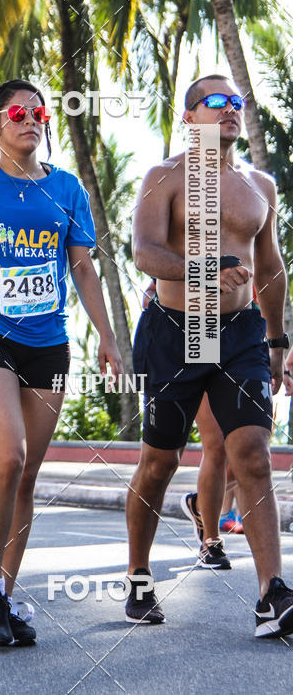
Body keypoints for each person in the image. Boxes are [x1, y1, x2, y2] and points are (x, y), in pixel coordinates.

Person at [0, 78, 123, 646]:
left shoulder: (66, 189)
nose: (31, 118)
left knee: (27, 478)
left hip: (48, 341)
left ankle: (7, 598)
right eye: (16, 112)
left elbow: (85, 270)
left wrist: (109, 339)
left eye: (38, 111)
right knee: (10, 455)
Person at [126, 74, 293, 638]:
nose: (230, 110)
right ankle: (140, 576)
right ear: (188, 116)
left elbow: (270, 269)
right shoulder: (165, 177)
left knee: (250, 450)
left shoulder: (259, 185)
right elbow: (144, 251)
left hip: (241, 332)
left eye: (236, 103)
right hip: (176, 331)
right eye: (215, 102)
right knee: (160, 463)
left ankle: (272, 592)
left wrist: (277, 340)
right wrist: (203, 269)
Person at [144, 278, 244, 560]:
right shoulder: (196, 237)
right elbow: (151, 288)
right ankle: (211, 541)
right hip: (203, 328)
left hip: (246, 333)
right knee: (219, 444)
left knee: (253, 451)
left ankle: (200, 504)